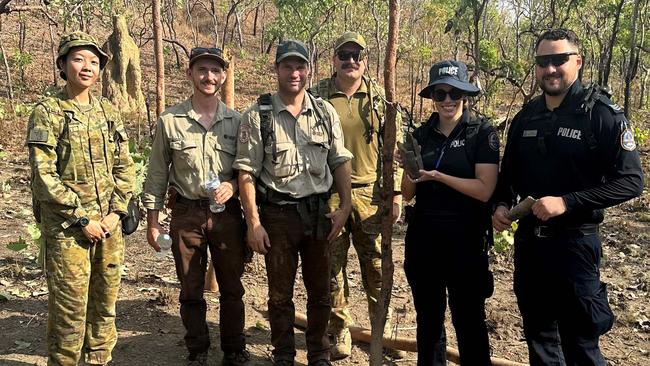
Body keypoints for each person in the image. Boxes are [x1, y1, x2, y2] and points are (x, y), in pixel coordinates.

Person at [492, 29, 644, 365]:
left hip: (575, 247)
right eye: (543, 62)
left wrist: (568, 201)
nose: (550, 69)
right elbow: (508, 178)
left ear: (578, 62)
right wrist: (501, 204)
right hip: (531, 247)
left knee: (581, 344)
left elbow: (632, 181)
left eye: (558, 60)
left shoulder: (601, 114)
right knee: (540, 341)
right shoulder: (525, 117)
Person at [234, 39, 353, 366]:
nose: (294, 72)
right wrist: (254, 223)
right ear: (277, 69)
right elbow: (246, 173)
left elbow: (339, 161)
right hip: (278, 216)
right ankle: (284, 355)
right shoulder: (259, 114)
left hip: (318, 215)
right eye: (287, 65)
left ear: (309, 69)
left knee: (321, 293)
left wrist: (345, 206)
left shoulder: (324, 112)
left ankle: (318, 354)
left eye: (300, 66)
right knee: (280, 295)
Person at [27, 31, 135, 366]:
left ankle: (98, 361)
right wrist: (82, 218)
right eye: (78, 59)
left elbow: (125, 165)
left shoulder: (107, 111)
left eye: (93, 61)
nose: (87, 67)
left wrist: (117, 213)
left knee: (104, 306)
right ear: (62, 64)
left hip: (109, 227)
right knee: (70, 311)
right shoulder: (48, 112)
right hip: (68, 231)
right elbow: (43, 177)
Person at [141, 47, 249, 366]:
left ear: (224, 76)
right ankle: (197, 349)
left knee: (232, 286)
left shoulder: (237, 121)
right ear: (190, 74)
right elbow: (157, 172)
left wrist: (232, 186)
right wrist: (152, 221)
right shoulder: (171, 120)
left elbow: (246, 169)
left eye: (215, 71)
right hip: (186, 213)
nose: (209, 77)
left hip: (227, 215)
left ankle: (234, 348)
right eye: (202, 70)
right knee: (190, 288)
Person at [309, 31, 404, 360]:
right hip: (329, 195)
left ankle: (383, 332)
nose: (350, 61)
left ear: (365, 61)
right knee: (331, 267)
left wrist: (394, 193)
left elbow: (394, 148)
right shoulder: (316, 97)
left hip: (370, 195)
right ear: (333, 59)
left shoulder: (380, 99)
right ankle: (339, 331)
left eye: (357, 56)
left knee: (376, 267)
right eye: (344, 55)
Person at [400, 60, 498, 365]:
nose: (447, 100)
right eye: (440, 94)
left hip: (466, 241)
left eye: (454, 92)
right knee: (428, 321)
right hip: (425, 239)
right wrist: (411, 170)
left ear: (465, 94)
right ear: (431, 97)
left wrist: (439, 176)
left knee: (468, 320)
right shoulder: (420, 135)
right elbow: (408, 192)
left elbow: (485, 189)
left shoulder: (481, 133)